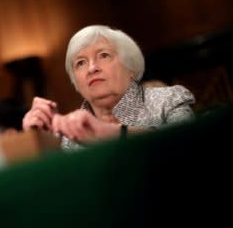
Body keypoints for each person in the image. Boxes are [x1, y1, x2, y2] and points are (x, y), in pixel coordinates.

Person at [22, 25, 195, 151]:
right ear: (76, 81)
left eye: (104, 55)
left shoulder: (169, 99)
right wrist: (39, 141)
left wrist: (112, 133)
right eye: (80, 63)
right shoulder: (69, 136)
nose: (91, 68)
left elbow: (188, 144)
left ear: (131, 68)